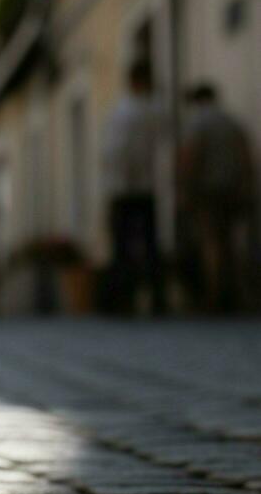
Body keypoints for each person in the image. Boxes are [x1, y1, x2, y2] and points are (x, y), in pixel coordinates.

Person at [179, 83, 255, 312]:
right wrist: (247, 186)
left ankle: (214, 296)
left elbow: (191, 155)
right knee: (232, 242)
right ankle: (235, 295)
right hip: (234, 189)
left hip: (208, 191)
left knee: (211, 243)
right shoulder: (233, 122)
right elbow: (246, 156)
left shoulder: (197, 122)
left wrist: (185, 187)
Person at [102, 59, 167, 315]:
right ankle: (155, 299)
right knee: (149, 244)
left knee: (123, 245)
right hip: (145, 186)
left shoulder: (124, 111)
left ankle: (124, 300)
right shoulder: (154, 110)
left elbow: (115, 152)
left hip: (123, 187)